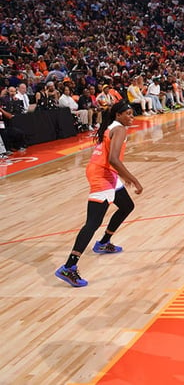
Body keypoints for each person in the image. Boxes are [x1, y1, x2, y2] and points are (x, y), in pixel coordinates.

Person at [55, 101, 143, 287]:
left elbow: (110, 158)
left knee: (127, 205)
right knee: (92, 223)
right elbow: (113, 159)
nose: (131, 117)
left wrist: (120, 175)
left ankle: (103, 243)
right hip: (102, 174)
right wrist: (133, 179)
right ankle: (69, 267)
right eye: (127, 114)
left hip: (104, 170)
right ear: (118, 115)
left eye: (132, 114)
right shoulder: (119, 129)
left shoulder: (112, 125)